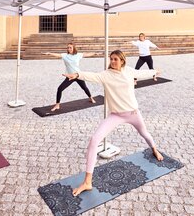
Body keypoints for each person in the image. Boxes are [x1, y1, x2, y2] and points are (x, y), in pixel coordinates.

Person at [64, 49, 163, 196]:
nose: (112, 61)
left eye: (116, 59)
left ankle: (154, 149)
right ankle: (87, 182)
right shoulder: (106, 75)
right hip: (116, 115)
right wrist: (77, 74)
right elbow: (93, 76)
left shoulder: (128, 71)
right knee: (94, 140)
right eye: (111, 59)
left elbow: (141, 73)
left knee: (145, 134)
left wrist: (154, 71)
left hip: (133, 113)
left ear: (122, 60)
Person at [44, 43, 97, 112]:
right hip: (70, 76)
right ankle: (57, 105)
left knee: (84, 87)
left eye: (70, 48)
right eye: (68, 47)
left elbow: (87, 54)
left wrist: (95, 53)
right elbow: (57, 55)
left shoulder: (78, 55)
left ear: (73, 48)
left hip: (78, 75)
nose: (69, 49)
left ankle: (91, 98)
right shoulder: (65, 56)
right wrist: (49, 53)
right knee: (60, 89)